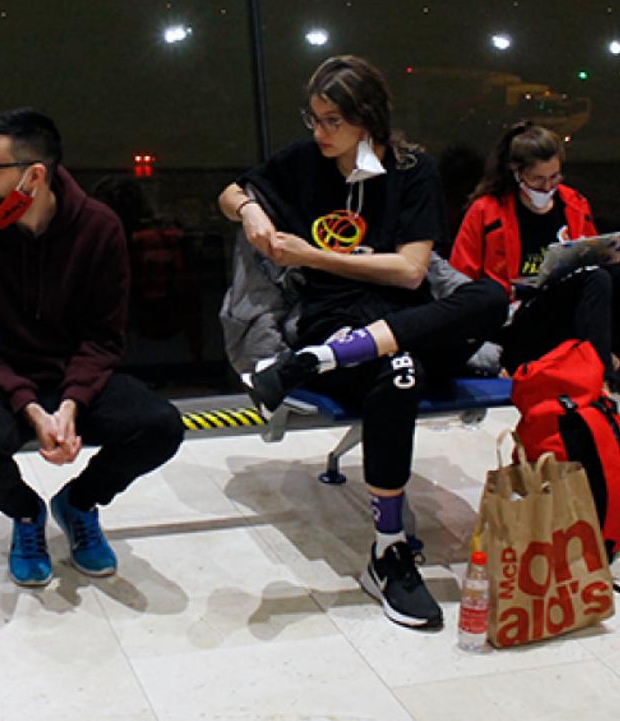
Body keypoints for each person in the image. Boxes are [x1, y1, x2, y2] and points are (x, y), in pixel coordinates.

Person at [218, 56, 508, 630]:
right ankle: (388, 549)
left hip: (401, 316)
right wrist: (251, 209)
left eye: (332, 121)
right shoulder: (305, 163)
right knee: (399, 373)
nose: (319, 132)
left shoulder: (412, 171)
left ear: (367, 120)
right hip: (334, 316)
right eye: (315, 118)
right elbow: (230, 192)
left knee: (491, 299)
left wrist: (310, 254)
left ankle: (315, 364)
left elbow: (409, 271)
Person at [0, 108, 184, 587]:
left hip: (76, 375)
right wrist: (31, 409)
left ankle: (79, 502)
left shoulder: (98, 227)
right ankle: (27, 513)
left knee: (159, 427)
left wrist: (72, 403)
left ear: (34, 175)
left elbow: (103, 338)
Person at [450, 122, 620, 455]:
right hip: (516, 324)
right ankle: (602, 405)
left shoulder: (573, 203)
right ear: (516, 173)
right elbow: (459, 284)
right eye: (538, 180)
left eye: (554, 178)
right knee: (596, 279)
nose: (547, 187)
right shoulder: (487, 212)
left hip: (573, 311)